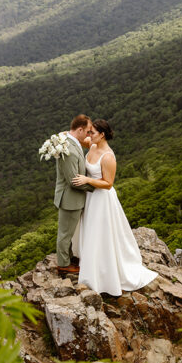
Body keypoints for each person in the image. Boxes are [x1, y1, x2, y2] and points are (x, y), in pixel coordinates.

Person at [71, 119, 157, 296]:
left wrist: (87, 180)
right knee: (90, 230)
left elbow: (108, 183)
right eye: (89, 132)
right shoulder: (93, 145)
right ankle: (91, 262)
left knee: (99, 233)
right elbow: (77, 139)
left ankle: (102, 271)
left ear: (102, 135)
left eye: (92, 132)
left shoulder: (108, 156)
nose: (89, 136)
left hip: (102, 199)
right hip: (90, 197)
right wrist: (63, 137)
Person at [54, 114, 94, 277]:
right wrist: (97, 187)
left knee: (68, 232)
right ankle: (63, 265)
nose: (89, 135)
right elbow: (73, 181)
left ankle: (69, 258)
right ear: (79, 129)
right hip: (70, 199)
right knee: (65, 233)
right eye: (88, 131)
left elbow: (66, 133)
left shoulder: (69, 140)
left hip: (72, 198)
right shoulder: (69, 149)